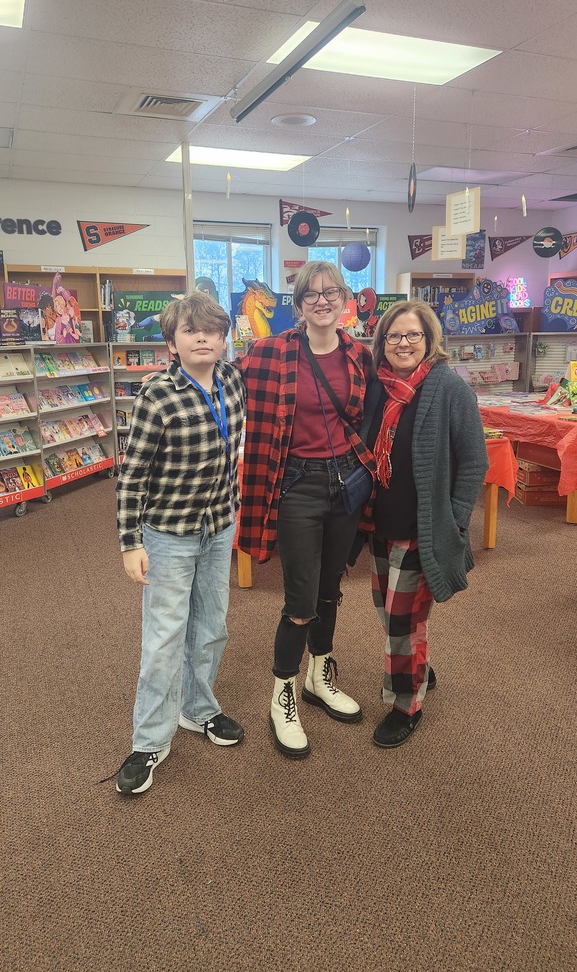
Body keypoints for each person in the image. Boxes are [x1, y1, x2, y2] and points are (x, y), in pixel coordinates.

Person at [235, 261, 375, 759]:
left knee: (330, 588)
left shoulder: (359, 354)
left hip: (346, 483)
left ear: (344, 300)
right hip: (296, 483)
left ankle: (319, 675)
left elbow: (373, 413)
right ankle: (283, 696)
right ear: (298, 305)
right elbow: (225, 383)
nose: (322, 301)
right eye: (311, 294)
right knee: (300, 600)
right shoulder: (271, 352)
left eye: (330, 292)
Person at [113, 292, 246, 795]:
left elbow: (232, 451)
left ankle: (198, 708)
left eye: (211, 330)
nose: (202, 338)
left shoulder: (232, 380)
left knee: (211, 626)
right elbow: (132, 475)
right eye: (191, 330)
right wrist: (130, 542)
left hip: (219, 526)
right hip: (168, 533)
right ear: (172, 342)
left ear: (224, 338)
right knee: (164, 638)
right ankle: (149, 740)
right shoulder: (157, 395)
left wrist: (232, 508)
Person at [349, 298, 488, 748]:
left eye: (413, 335)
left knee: (401, 622)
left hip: (421, 530)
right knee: (385, 610)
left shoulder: (449, 388)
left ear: (429, 339)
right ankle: (417, 666)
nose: (403, 343)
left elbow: (474, 460)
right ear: (382, 342)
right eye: (394, 336)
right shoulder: (378, 387)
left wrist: (456, 519)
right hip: (379, 523)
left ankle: (406, 705)